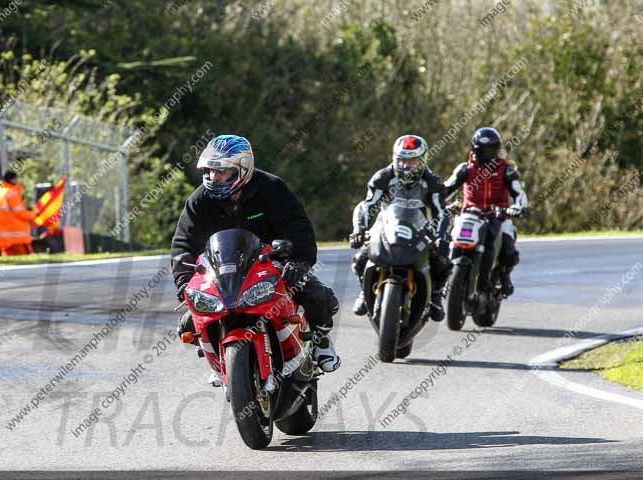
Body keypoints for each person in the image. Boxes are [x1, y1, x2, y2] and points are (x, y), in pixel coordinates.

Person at [171, 134, 340, 385]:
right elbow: (183, 243)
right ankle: (221, 358)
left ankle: (320, 339)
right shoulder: (199, 200)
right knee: (187, 322)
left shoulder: (271, 188)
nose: (213, 177)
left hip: (271, 262)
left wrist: (299, 260)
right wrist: (185, 281)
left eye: (222, 171)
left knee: (316, 295)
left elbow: (298, 227)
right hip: (221, 270)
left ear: (243, 168)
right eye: (209, 170)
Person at [349, 134, 450, 321]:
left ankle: (435, 295)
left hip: (420, 229)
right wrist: (359, 229)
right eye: (401, 161)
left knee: (442, 261)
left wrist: (441, 237)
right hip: (385, 227)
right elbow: (367, 205)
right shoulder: (383, 177)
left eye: (411, 162)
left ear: (422, 161)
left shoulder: (433, 182)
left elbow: (442, 213)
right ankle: (364, 291)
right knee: (360, 258)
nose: (405, 166)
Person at [443, 127, 528, 295]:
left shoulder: (507, 171)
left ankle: (503, 276)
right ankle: (445, 278)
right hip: (469, 214)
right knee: (444, 239)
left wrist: (516, 208)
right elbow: (446, 188)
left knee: (508, 248)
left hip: (498, 215)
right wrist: (434, 200)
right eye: (483, 150)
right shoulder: (465, 169)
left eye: (491, 150)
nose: (487, 154)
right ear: (474, 150)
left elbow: (520, 194)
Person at [0, 170, 38, 256]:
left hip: (3, 240)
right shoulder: (11, 193)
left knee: (9, 264)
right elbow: (21, 213)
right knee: (26, 263)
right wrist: (34, 214)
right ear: (13, 180)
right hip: (16, 239)